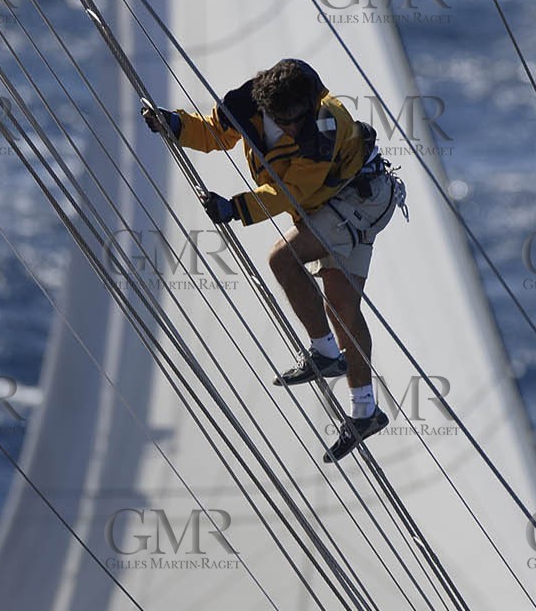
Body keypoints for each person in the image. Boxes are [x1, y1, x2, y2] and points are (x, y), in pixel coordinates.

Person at [141, 58, 405, 463]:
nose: (295, 128)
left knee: (283, 259)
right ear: (268, 108)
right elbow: (214, 132)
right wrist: (174, 125)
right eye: (287, 120)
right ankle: (365, 411)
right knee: (340, 304)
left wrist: (234, 208)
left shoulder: (325, 128)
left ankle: (324, 354)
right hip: (341, 204)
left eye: (300, 118)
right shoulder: (246, 104)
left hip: (360, 200)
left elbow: (288, 192)